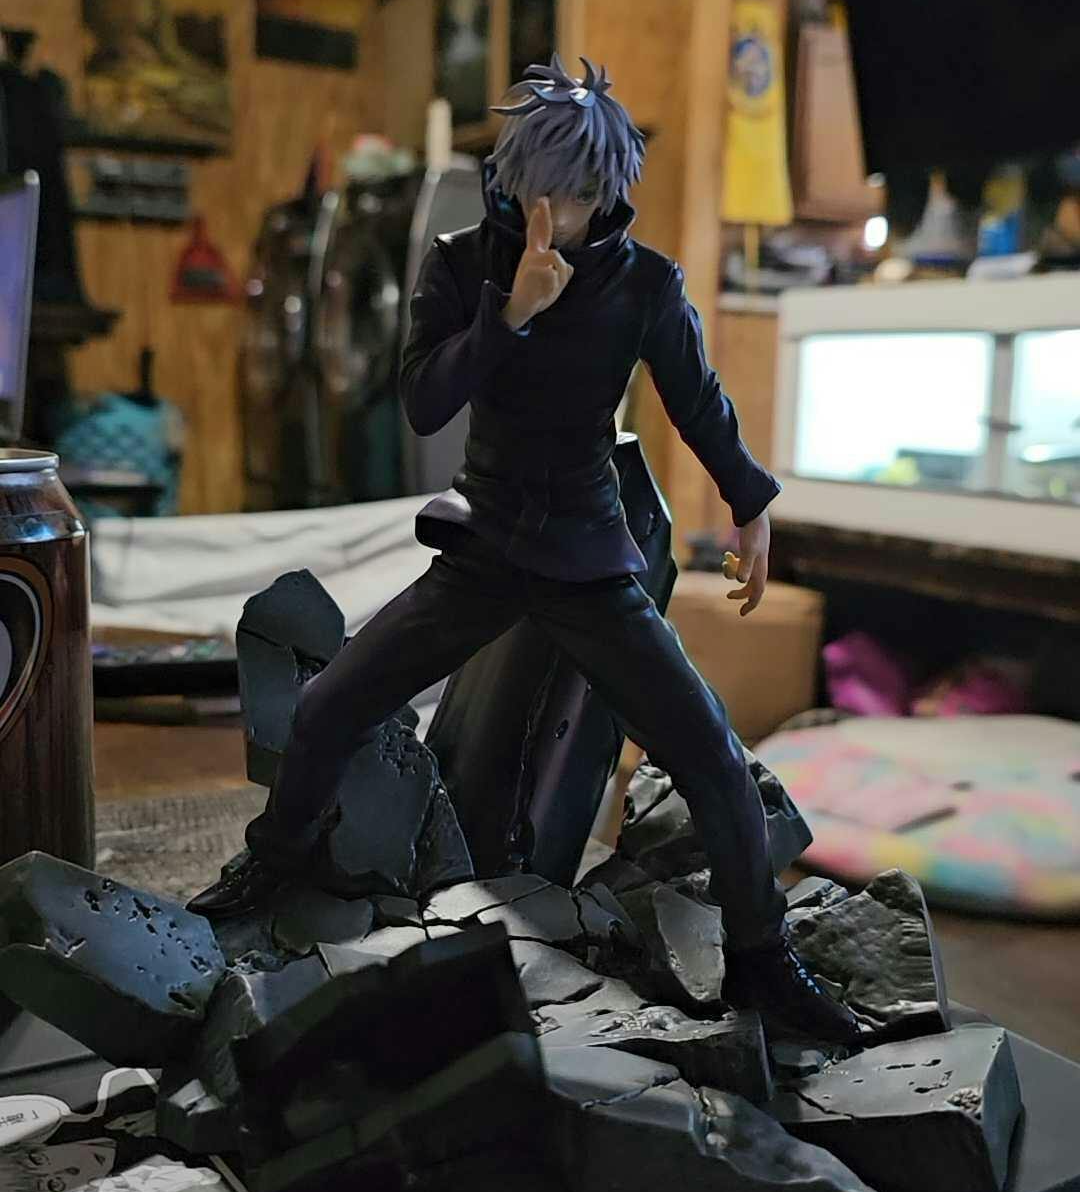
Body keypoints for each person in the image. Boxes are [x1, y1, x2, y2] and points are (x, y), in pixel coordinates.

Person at [192, 55, 859, 1044]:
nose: (559, 212)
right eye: (540, 189)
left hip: (588, 560)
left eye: (579, 194)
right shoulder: (462, 263)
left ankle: (765, 961)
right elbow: (424, 399)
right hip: (486, 548)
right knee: (330, 705)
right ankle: (275, 865)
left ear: (607, 190)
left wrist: (751, 504)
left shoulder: (644, 282)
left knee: (715, 758)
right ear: (509, 179)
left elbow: (698, 400)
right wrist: (509, 315)